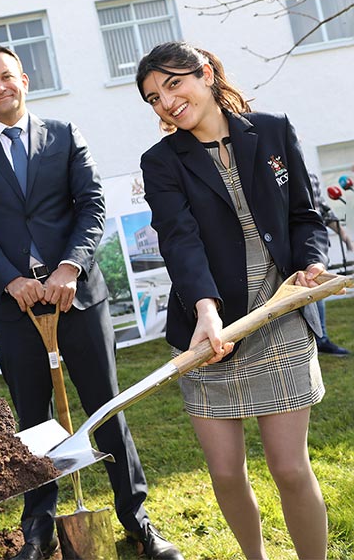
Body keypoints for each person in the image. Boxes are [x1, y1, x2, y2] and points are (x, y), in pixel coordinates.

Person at [0, 43, 183, 560]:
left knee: (106, 407)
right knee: (32, 420)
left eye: (6, 77)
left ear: (24, 80)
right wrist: (12, 279)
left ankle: (137, 519)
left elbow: (92, 205)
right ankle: (38, 531)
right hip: (15, 307)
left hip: (77, 298)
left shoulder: (65, 134)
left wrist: (70, 267)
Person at [136, 41, 330, 559]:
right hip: (209, 329)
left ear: (205, 73)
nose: (167, 102)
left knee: (290, 468)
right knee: (224, 472)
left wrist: (309, 261)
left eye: (173, 83)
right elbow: (180, 239)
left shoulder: (271, 130)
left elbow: (305, 214)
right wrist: (205, 309)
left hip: (280, 313)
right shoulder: (161, 163)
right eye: (154, 97)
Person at [308, 171, 351, 355]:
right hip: (288, 248)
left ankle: (321, 339)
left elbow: (323, 211)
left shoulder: (311, 178)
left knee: (317, 292)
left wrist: (345, 237)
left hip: (313, 248)